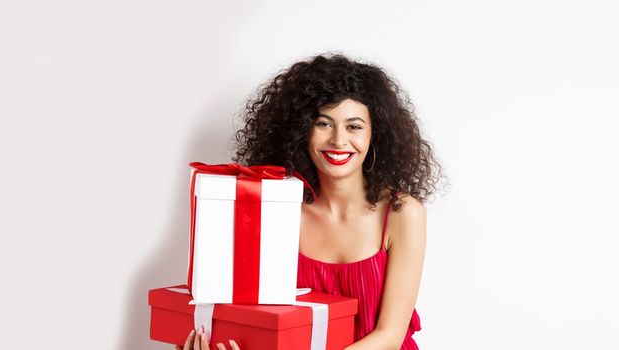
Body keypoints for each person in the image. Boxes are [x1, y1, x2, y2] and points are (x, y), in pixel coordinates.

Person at [179, 53, 442, 350]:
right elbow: (256, 316)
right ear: (301, 130)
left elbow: (390, 337)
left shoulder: (402, 214)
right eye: (323, 124)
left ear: (375, 135)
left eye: (354, 126)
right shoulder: (275, 210)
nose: (339, 141)